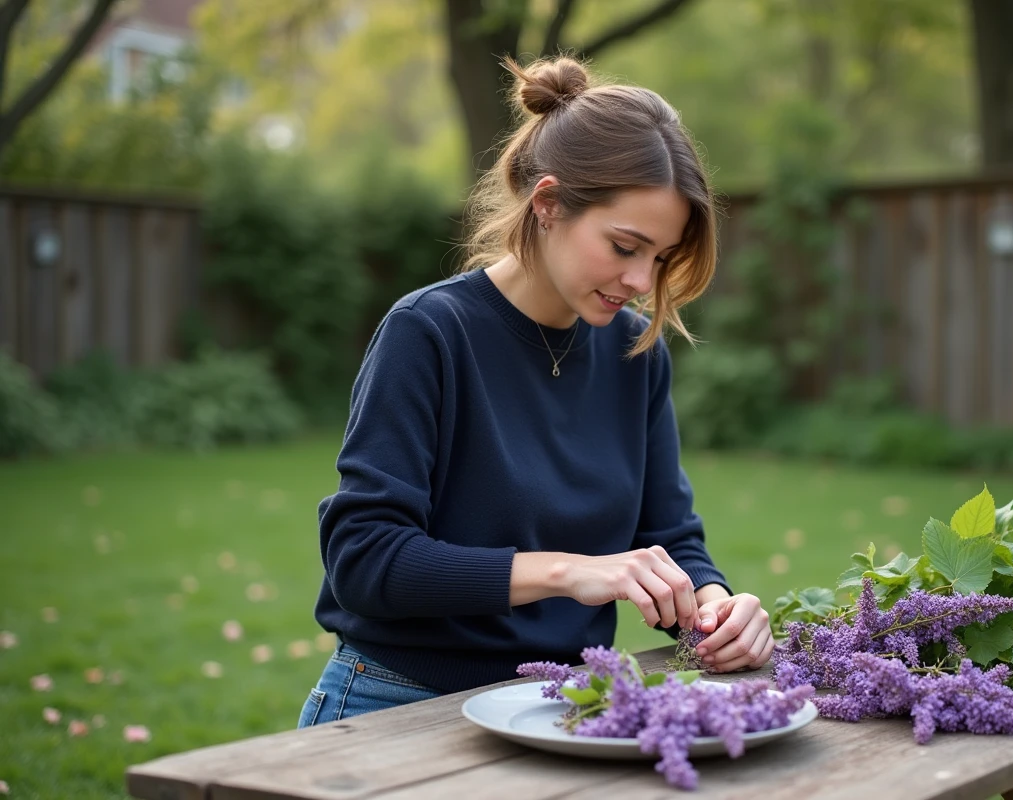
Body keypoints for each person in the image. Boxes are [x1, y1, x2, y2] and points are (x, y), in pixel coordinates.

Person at [297, 54, 774, 728]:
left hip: (564, 712)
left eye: (660, 257)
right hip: (397, 707)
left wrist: (717, 606)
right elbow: (365, 559)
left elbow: (667, 535)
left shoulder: (636, 353)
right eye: (625, 245)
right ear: (548, 204)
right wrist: (566, 572)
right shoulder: (429, 333)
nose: (642, 279)